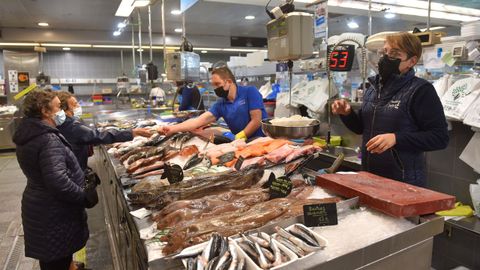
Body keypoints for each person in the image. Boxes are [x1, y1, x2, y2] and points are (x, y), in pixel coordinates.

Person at [331, 32, 449, 187]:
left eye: (394, 54)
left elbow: (440, 138)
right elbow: (361, 128)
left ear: (411, 61)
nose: (385, 57)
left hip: (403, 181)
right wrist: (346, 114)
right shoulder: (373, 88)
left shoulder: (421, 90)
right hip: (369, 176)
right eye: (384, 52)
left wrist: (396, 138)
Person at [13, 90, 96, 270]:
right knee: (56, 259)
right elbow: (58, 181)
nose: (62, 112)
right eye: (58, 107)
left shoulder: (29, 133)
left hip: (39, 205)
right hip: (54, 211)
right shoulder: (48, 139)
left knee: (54, 258)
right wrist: (83, 196)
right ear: (45, 111)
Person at [159, 67, 267, 140]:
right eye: (213, 85)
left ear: (229, 82)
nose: (215, 88)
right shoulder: (221, 105)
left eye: (217, 84)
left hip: (261, 140)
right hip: (241, 143)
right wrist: (172, 129)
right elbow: (198, 121)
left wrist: (239, 136)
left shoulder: (250, 91)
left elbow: (256, 120)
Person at [55, 91, 151, 171]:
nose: (79, 106)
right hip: (75, 174)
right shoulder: (71, 126)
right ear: (65, 110)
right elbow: (98, 135)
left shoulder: (62, 123)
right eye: (75, 104)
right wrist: (132, 133)